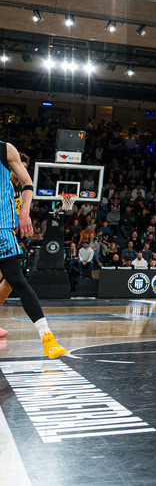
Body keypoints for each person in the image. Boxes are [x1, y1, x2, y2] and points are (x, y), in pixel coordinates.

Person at [0, 141, 66, 357]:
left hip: (4, 230)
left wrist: (25, 213)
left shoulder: (5, 150)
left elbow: (28, 182)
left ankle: (47, 336)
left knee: (15, 280)